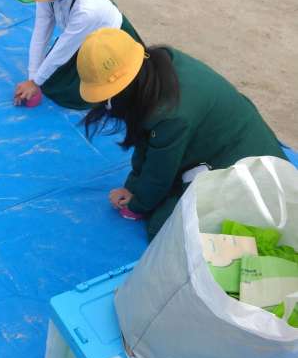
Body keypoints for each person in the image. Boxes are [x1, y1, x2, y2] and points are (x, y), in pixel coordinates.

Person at [78, 28, 289, 242]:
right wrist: (133, 187)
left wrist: (136, 203)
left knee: (165, 231)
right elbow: (148, 142)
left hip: (249, 169)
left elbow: (159, 172)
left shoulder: (170, 115)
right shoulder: (157, 67)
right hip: (224, 146)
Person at [13, 0, 142, 110]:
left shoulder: (87, 10)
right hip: (84, 42)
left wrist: (36, 82)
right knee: (50, 83)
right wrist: (32, 77)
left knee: (79, 96)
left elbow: (64, 48)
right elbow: (41, 32)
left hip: (112, 48)